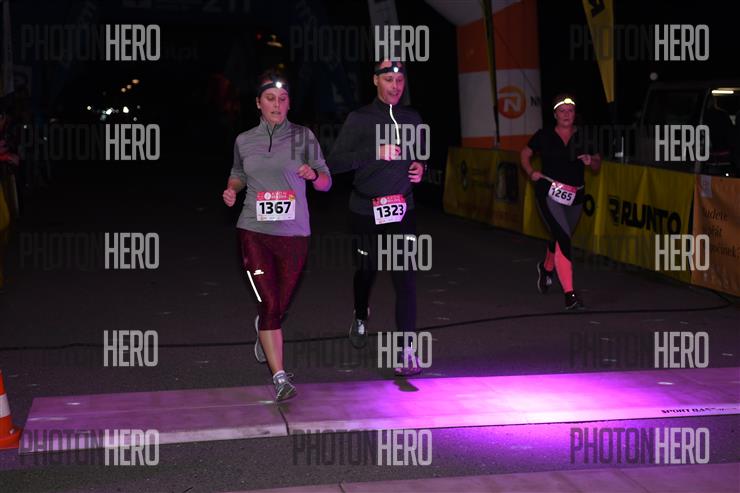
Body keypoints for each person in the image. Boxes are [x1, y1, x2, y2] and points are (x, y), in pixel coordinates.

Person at [223, 70, 331, 401]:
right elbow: (238, 174)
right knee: (270, 302)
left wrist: (313, 175)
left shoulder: (303, 137)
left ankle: (264, 327)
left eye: (283, 99)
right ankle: (280, 377)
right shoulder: (244, 140)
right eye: (270, 99)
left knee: (278, 306)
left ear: (289, 104)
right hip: (253, 230)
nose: (277, 104)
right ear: (258, 103)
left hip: (294, 234)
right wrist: (232, 189)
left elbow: (326, 182)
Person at [328, 60, 426, 376]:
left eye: (399, 79)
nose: (395, 86)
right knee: (367, 269)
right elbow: (334, 164)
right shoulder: (359, 119)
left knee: (405, 278)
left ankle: (407, 350)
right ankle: (360, 313)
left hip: (401, 209)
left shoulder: (412, 118)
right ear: (375, 80)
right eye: (388, 79)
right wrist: (375, 151)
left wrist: (420, 167)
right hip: (365, 211)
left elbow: (419, 155)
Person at [520, 94, 601, 310]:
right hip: (549, 192)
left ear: (575, 114)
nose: (566, 115)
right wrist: (531, 172)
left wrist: (591, 160)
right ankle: (570, 295)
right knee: (564, 237)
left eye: (570, 111)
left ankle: (546, 268)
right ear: (555, 114)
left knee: (560, 236)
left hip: (575, 197)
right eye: (562, 111)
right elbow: (525, 154)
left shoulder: (584, 136)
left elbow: (597, 164)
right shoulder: (544, 135)